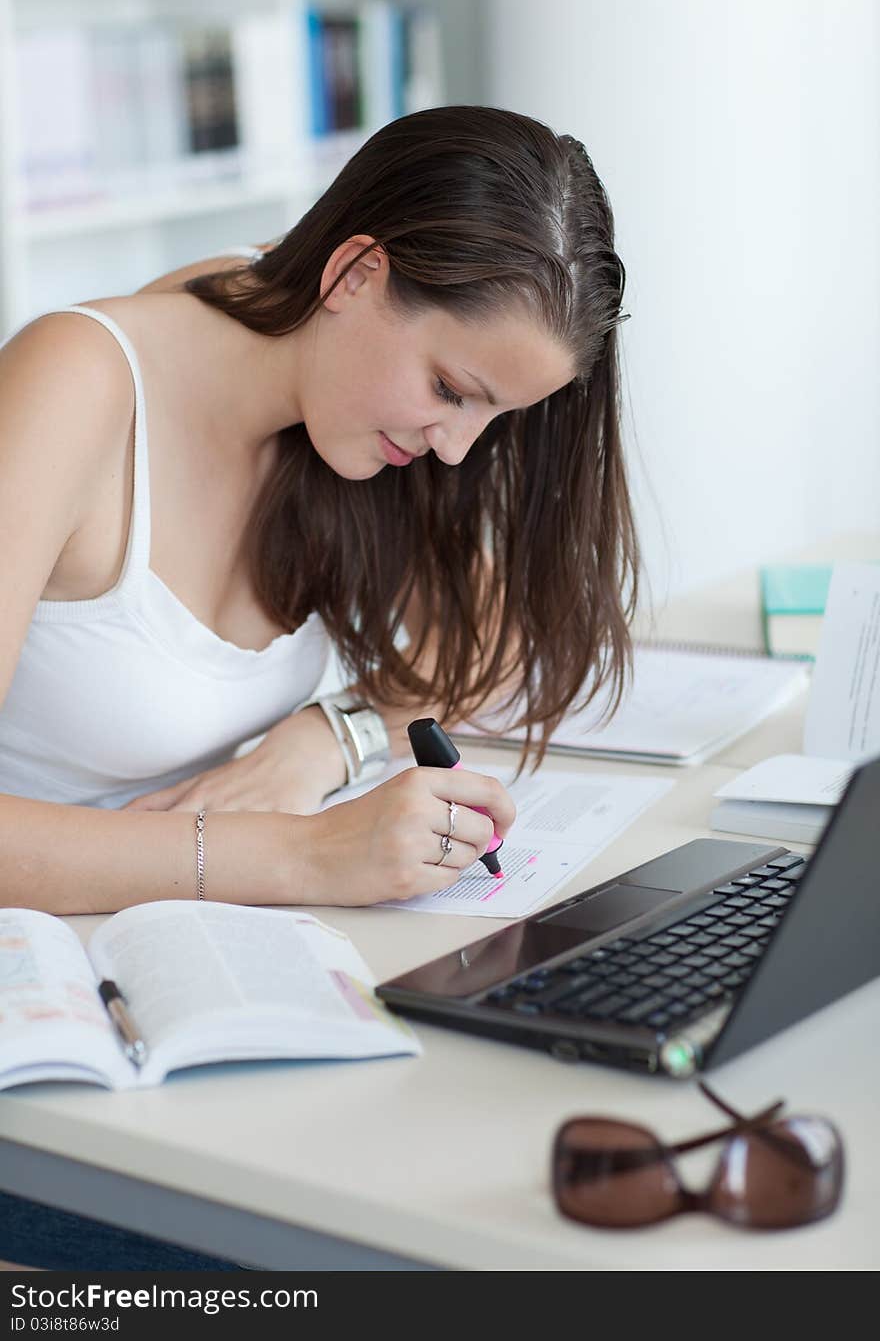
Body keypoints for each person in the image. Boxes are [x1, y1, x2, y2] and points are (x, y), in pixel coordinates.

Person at [0, 104, 639, 1266]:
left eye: (493, 416)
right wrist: (303, 855)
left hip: (197, 978)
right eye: (452, 388)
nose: (456, 448)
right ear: (354, 271)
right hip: (52, 1056)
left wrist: (328, 737)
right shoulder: (78, 381)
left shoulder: (317, 375)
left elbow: (490, 626)